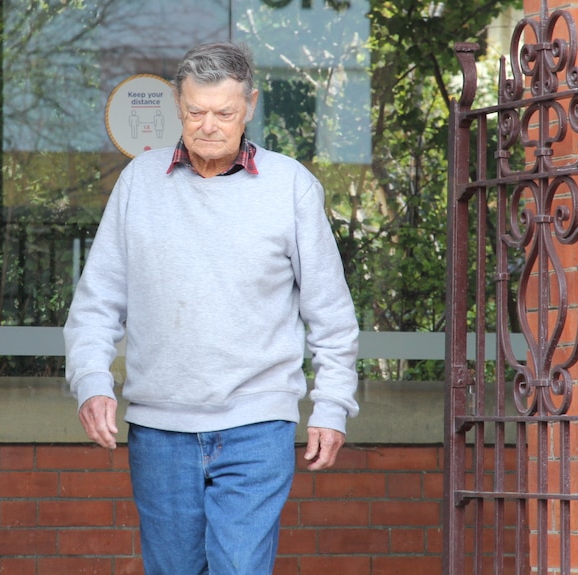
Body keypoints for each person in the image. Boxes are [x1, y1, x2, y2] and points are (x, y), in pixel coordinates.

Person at [64, 42, 359, 575]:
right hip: (159, 429)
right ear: (178, 104)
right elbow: (97, 302)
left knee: (239, 567)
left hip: (258, 423)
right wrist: (90, 379)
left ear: (250, 105)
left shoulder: (291, 186)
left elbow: (331, 313)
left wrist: (333, 403)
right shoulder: (139, 183)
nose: (208, 125)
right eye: (196, 111)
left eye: (224, 112)